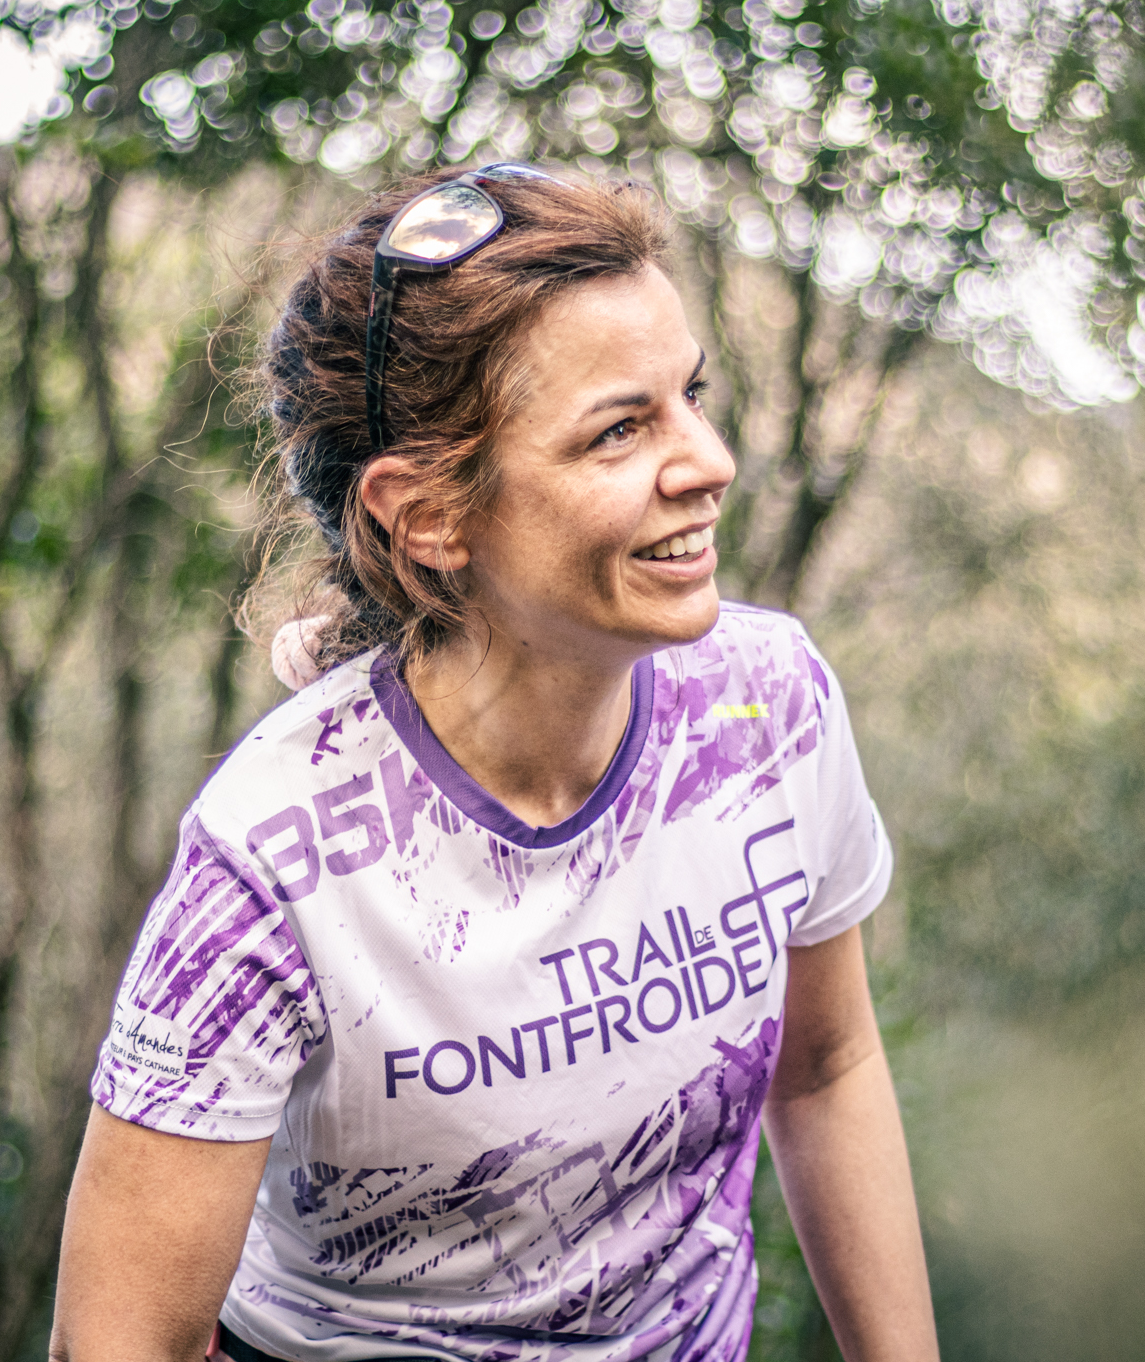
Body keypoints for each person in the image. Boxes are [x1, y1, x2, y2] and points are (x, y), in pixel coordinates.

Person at [49, 163, 937, 1362]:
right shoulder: (273, 860)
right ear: (428, 517)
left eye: (688, 396)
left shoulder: (766, 705)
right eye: (619, 429)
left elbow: (825, 1069)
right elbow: (116, 1342)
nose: (709, 460)